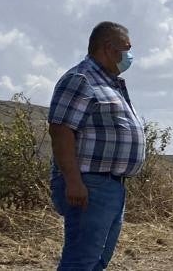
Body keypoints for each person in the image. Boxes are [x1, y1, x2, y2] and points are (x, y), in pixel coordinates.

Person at [48, 21, 147, 271]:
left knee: (96, 261)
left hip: (110, 186)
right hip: (90, 184)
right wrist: (73, 181)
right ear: (107, 48)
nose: (129, 56)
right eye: (126, 49)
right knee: (81, 260)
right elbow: (61, 131)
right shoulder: (81, 79)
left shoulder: (109, 82)